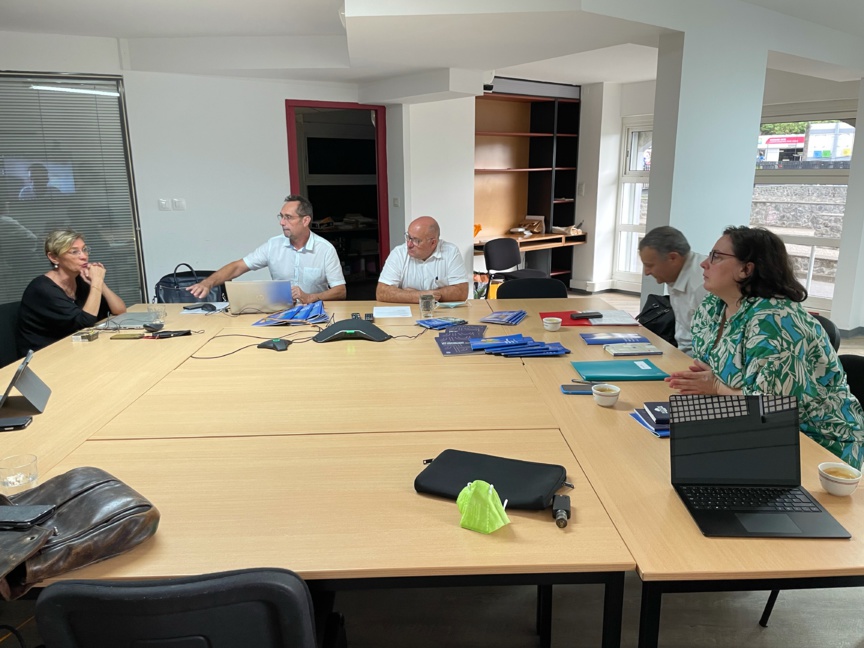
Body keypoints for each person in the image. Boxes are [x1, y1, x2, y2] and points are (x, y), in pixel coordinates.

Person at [667, 225, 864, 469]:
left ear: (746, 269)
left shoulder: (776, 321)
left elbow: (773, 407)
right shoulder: (713, 305)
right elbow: (710, 363)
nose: (704, 264)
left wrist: (717, 386)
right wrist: (716, 384)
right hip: (748, 423)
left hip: (816, 442)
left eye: (716, 256)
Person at [187, 195, 346, 303]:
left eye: (288, 217)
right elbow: (237, 267)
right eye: (281, 217)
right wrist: (207, 283)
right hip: (280, 314)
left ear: (305, 220)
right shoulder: (273, 245)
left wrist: (312, 297)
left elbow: (340, 291)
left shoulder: (325, 249)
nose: (282, 223)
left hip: (315, 313)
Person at [16, 229, 127, 355]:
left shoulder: (81, 280)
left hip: (75, 349)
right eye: (75, 252)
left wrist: (100, 283)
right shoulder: (42, 289)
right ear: (54, 257)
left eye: (85, 249)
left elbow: (119, 310)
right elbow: (85, 323)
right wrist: (96, 282)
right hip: (46, 357)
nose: (84, 256)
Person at [638, 226, 707, 356]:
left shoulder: (702, 286)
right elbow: (684, 332)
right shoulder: (675, 274)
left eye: (650, 265)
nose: (646, 272)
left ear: (673, 258)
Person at [377, 216, 469, 303]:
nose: (409, 244)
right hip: (407, 313)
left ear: (433, 243)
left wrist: (408, 294)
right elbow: (381, 292)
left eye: (416, 240)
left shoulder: (451, 252)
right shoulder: (399, 253)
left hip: (440, 314)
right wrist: (420, 296)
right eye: (408, 237)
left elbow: (461, 292)